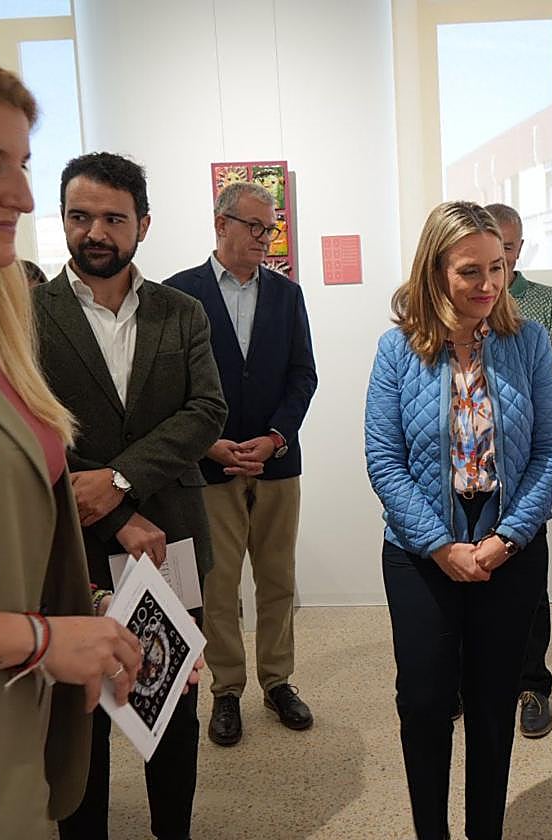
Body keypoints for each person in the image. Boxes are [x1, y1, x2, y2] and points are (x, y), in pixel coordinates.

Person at [0, 42, 144, 838]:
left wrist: (80, 614)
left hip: (15, 749)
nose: (20, 196)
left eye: (20, 165)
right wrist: (43, 638)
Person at [33, 152, 226, 840]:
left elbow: (206, 410)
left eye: (114, 218)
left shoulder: (183, 312)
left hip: (169, 541)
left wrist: (117, 482)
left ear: (143, 224)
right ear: (62, 219)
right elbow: (31, 424)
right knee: (82, 713)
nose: (95, 232)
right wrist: (112, 506)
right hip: (69, 543)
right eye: (80, 216)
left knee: (171, 704)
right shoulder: (27, 315)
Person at [365, 200, 552, 840]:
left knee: (491, 704)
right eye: (470, 271)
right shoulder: (397, 350)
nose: (488, 285)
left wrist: (508, 537)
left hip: (509, 544)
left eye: (497, 268)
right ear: (435, 271)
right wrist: (439, 545)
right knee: (425, 704)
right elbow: (383, 459)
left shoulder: (529, 341)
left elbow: (551, 449)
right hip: (419, 550)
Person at [165, 180, 318, 745]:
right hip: (209, 467)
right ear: (220, 224)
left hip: (275, 463)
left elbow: (303, 375)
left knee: (277, 579)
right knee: (218, 584)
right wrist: (207, 443)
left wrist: (276, 437)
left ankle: (278, 682)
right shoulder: (178, 295)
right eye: (255, 226)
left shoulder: (286, 295)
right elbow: (168, 386)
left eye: (269, 228)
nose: (264, 238)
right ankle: (226, 690)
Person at [484, 203, 552, 739]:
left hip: (525, 467)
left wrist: (524, 444)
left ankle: (531, 685)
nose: (498, 261)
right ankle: (471, 683)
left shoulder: (547, 305)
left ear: (520, 248)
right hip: (461, 475)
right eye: (488, 249)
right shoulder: (452, 306)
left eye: (506, 249)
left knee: (526, 582)